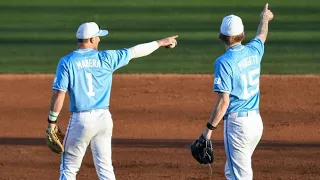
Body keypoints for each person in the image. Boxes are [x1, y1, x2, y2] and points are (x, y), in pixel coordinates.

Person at [45, 21, 178, 180]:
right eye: (98, 37)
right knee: (105, 168)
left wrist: (51, 121)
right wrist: (161, 42)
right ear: (92, 39)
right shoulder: (107, 57)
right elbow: (135, 51)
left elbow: (59, 94)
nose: (100, 40)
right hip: (104, 120)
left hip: (81, 121)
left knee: (69, 170)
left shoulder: (67, 62)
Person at [194, 3, 274, 180]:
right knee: (233, 171)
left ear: (221, 37)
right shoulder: (254, 51)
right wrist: (265, 18)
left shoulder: (224, 62)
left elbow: (224, 102)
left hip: (238, 127)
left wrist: (208, 130)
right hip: (255, 124)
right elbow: (262, 35)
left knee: (240, 176)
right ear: (243, 35)